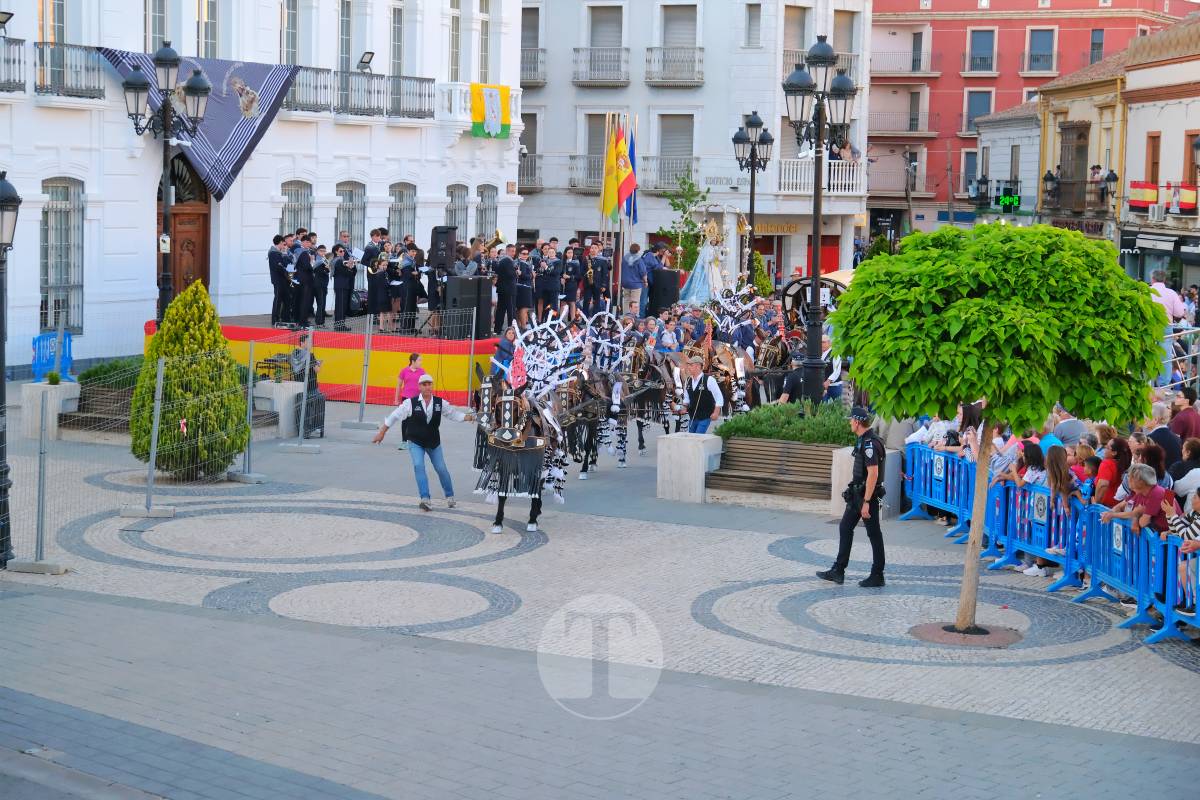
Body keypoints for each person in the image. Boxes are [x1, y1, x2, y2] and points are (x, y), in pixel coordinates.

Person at [373, 374, 472, 512]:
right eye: (424, 384)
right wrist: (382, 432)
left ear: (432, 386)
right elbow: (394, 416)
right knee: (419, 466)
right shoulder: (410, 403)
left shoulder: (440, 403)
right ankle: (425, 498)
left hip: (433, 442)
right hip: (415, 441)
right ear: (419, 387)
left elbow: (453, 414)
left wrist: (468, 417)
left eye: (429, 384)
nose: (427, 387)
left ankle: (450, 496)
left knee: (441, 468)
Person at [817, 406, 886, 588]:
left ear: (857, 422)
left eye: (850, 420)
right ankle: (838, 570)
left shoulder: (870, 443)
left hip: (866, 496)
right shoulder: (863, 440)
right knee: (845, 527)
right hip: (857, 495)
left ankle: (877, 574)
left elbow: (873, 474)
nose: (849, 423)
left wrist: (867, 502)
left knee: (873, 534)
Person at [678, 356, 723, 434]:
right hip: (692, 416)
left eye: (691, 365)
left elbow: (719, 397)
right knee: (691, 438)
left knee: (698, 436)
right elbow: (686, 397)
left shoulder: (709, 380)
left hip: (705, 416)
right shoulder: (688, 380)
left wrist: (716, 412)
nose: (688, 367)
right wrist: (684, 407)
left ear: (698, 366)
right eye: (688, 365)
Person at [394, 352, 428, 450]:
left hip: (418, 399)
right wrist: (396, 399)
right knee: (406, 420)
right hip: (406, 399)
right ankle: (404, 441)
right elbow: (399, 386)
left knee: (419, 420)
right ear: (413, 361)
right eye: (419, 360)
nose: (421, 362)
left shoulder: (422, 371)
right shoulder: (404, 371)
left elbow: (426, 386)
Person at [331, 243, 356, 331]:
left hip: (344, 285)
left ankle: (340, 325)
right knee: (341, 307)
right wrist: (350, 267)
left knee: (342, 306)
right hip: (341, 285)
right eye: (341, 251)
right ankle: (339, 326)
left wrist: (351, 267)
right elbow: (346, 273)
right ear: (336, 252)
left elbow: (352, 273)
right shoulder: (338, 260)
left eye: (343, 251)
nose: (343, 252)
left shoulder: (341, 260)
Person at [493, 243, 517, 334]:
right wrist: (517, 272)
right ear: (507, 251)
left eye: (514, 251)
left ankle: (497, 329)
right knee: (511, 311)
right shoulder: (507, 261)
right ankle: (512, 331)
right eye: (511, 251)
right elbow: (511, 274)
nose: (513, 253)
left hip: (502, 288)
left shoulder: (502, 260)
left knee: (501, 310)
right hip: (509, 289)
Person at [268, 234, 292, 327]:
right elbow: (278, 267)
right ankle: (275, 320)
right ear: (281, 243)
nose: (285, 246)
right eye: (284, 244)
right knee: (278, 300)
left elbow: (289, 264)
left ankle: (285, 318)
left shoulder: (281, 253)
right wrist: (287, 272)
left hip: (284, 280)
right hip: (278, 280)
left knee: (287, 299)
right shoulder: (273, 253)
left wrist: (285, 254)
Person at [293, 233, 316, 327]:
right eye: (307, 242)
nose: (309, 244)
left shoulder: (305, 252)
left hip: (303, 280)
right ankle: (302, 321)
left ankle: (301, 320)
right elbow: (307, 267)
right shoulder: (303, 252)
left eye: (309, 242)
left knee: (303, 301)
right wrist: (312, 262)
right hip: (304, 280)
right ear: (303, 242)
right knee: (304, 301)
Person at [515, 245, 535, 328]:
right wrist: (532, 275)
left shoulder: (522, 262)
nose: (526, 255)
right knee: (524, 308)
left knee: (520, 308)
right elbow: (523, 276)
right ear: (519, 254)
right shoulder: (521, 263)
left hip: (523, 287)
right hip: (524, 287)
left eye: (527, 254)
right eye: (523, 253)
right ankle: (523, 327)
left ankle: (520, 326)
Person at [312, 244, 330, 327]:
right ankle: (319, 322)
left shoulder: (324, 259)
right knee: (320, 303)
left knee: (323, 304)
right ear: (317, 252)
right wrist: (325, 269)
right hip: (318, 284)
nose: (323, 252)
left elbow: (327, 270)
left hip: (324, 284)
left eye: (324, 251)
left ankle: (322, 322)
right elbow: (317, 270)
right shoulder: (317, 260)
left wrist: (327, 268)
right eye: (321, 251)